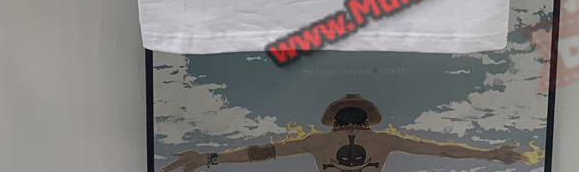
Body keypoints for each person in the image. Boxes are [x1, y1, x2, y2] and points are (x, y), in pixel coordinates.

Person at [161, 94, 542, 171]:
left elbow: (260, 152)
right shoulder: (385, 141)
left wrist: (208, 158)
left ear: (335, 121)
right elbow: (441, 150)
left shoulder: (318, 142)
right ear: (366, 121)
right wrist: (490, 154)